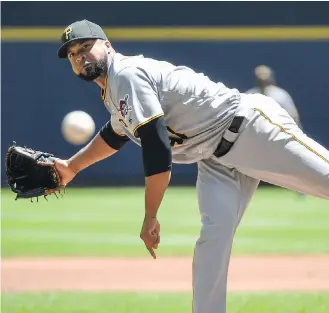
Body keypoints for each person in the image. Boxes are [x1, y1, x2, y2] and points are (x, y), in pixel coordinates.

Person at [54, 20, 329, 313]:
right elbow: (115, 133)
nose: (81, 56)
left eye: (86, 47)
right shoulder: (112, 90)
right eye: (73, 54)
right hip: (215, 158)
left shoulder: (126, 74)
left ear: (107, 44)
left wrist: (150, 216)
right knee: (213, 239)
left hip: (250, 128)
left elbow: (157, 148)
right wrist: (72, 167)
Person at [246, 65, 306, 197]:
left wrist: (296, 133)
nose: (262, 79)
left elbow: (293, 115)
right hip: (258, 136)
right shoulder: (250, 94)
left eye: (264, 76)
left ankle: (302, 189)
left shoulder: (280, 95)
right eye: (260, 76)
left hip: (279, 134)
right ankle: (244, 190)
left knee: (293, 161)